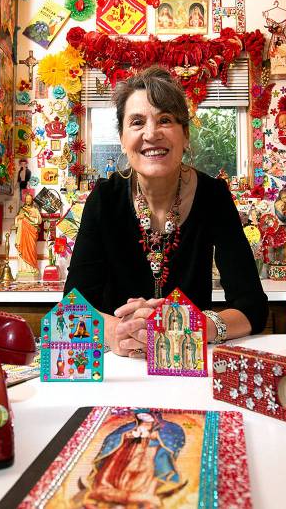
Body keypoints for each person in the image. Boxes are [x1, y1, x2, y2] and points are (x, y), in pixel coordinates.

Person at [65, 66, 268, 358]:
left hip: (187, 359)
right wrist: (117, 333)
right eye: (137, 122)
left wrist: (198, 326)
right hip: (120, 369)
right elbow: (72, 305)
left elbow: (252, 306)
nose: (151, 133)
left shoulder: (214, 196)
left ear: (185, 135)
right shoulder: (104, 199)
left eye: (165, 120)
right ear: (122, 138)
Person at [79, 409, 186, 505]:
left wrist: (154, 436)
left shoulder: (167, 428)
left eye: (148, 416)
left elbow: (174, 438)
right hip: (128, 452)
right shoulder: (129, 426)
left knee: (145, 471)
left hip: (150, 452)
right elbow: (112, 438)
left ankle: (141, 492)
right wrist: (127, 435)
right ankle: (111, 489)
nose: (144, 417)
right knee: (121, 468)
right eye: (141, 415)